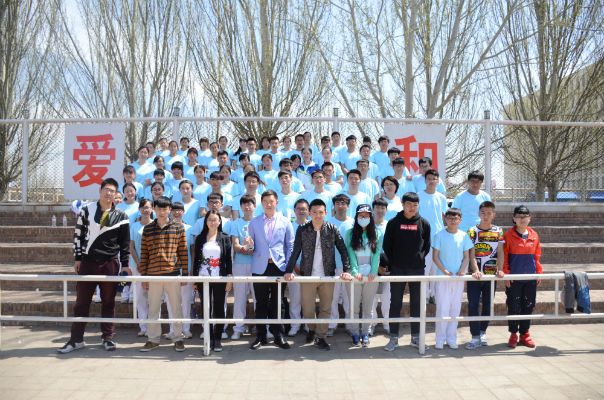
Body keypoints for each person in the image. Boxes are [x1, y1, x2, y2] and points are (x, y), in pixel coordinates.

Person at [58, 178, 130, 354]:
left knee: (108, 302)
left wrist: (125, 265)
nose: (109, 193)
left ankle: (107, 338)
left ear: (116, 194)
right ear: (100, 190)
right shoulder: (86, 210)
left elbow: (125, 243)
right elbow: (78, 235)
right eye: (106, 189)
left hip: (110, 263)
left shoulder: (122, 215)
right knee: (81, 302)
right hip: (88, 262)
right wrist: (77, 259)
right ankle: (76, 340)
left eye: (112, 191)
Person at [285, 199, 351, 351]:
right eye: (314, 212)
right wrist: (289, 270)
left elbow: (343, 250)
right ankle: (313, 330)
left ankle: (321, 337)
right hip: (308, 275)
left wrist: (347, 270)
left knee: (326, 308)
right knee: (308, 310)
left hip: (327, 275)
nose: (317, 215)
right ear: (309, 213)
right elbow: (296, 251)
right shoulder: (302, 229)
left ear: (325, 213)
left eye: (321, 212)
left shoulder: (332, 229)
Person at [138, 196, 188, 352]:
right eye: (159, 208)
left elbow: (183, 252)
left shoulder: (178, 228)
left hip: (172, 273)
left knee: (176, 308)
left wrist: (185, 274)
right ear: (154, 209)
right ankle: (153, 339)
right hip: (153, 275)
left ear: (169, 210)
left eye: (165, 209)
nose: (161, 212)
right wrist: (144, 277)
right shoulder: (147, 229)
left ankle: (178, 338)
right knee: (153, 309)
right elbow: (144, 255)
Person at [382, 192, 431, 352]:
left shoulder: (424, 223)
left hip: (417, 269)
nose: (412, 208)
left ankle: (416, 337)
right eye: (409, 204)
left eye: (415, 205)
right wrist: (395, 261)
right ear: (403, 204)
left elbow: (426, 246)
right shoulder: (393, 223)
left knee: (417, 303)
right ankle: (393, 337)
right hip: (398, 268)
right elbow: (387, 246)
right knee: (395, 303)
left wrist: (418, 258)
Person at [248, 190, 294, 350]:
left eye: (271, 201)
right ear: (261, 203)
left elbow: (290, 245)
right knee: (260, 302)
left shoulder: (285, 221)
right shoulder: (254, 222)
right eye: (265, 201)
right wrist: (248, 245)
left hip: (279, 266)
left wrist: (288, 267)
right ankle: (261, 336)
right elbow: (251, 246)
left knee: (278, 302)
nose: (268, 204)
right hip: (259, 267)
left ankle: (278, 335)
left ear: (276, 202)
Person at [465, 201, 505, 350]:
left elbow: (500, 252)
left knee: (488, 305)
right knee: (473, 305)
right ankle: (475, 336)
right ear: (479, 214)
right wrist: (475, 270)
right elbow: (471, 253)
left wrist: (500, 269)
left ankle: (482, 332)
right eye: (483, 212)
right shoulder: (472, 231)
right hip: (475, 276)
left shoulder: (498, 231)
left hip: (491, 276)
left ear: (493, 214)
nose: (486, 216)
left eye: (489, 213)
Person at [432, 208, 473, 349]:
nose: (452, 221)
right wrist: (443, 270)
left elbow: (466, 256)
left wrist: (462, 270)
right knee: (442, 308)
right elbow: (435, 256)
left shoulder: (464, 236)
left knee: (455, 308)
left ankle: (451, 338)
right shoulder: (439, 235)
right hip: (443, 277)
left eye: (455, 219)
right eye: (450, 218)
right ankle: (439, 339)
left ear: (460, 220)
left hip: (458, 277)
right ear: (445, 219)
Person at [193, 210, 233, 352]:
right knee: (206, 308)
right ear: (206, 221)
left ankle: (218, 338)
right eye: (210, 219)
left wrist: (229, 279)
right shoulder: (200, 238)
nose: (212, 222)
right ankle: (209, 337)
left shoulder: (225, 238)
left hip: (220, 277)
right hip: (203, 278)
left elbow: (228, 260)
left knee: (219, 308)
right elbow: (196, 259)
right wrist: (194, 279)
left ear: (219, 221)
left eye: (215, 220)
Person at [504, 205, 542, 349]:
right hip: (514, 279)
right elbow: (504, 257)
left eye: (525, 216)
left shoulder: (534, 235)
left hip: (530, 278)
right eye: (518, 216)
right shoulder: (508, 235)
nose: (522, 219)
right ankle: (513, 334)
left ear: (529, 218)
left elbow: (537, 256)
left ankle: (525, 334)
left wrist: (538, 272)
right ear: (514, 218)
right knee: (513, 306)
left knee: (528, 306)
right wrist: (506, 274)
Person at [345, 204, 382, 347]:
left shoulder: (377, 233)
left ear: (371, 217)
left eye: (366, 215)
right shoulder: (350, 233)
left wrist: (374, 271)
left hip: (371, 277)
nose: (363, 218)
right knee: (354, 307)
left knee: (368, 307)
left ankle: (365, 333)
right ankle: (355, 333)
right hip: (355, 276)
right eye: (361, 216)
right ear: (356, 217)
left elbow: (376, 254)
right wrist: (355, 271)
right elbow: (350, 253)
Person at [228, 195, 257, 340]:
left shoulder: (259, 222)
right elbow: (235, 245)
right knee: (239, 297)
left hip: (257, 264)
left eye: (249, 204)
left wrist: (250, 248)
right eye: (244, 205)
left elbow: (262, 245)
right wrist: (245, 248)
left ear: (254, 206)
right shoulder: (236, 223)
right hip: (239, 264)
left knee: (259, 297)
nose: (247, 207)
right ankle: (238, 328)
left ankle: (262, 327)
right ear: (240, 207)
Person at [417, 169, 448, 303]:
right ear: (425, 180)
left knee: (436, 268)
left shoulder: (441, 198)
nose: (431, 181)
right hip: (423, 239)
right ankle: (424, 296)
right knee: (424, 268)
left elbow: (444, 216)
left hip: (438, 238)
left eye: (434, 179)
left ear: (438, 181)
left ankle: (434, 294)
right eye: (429, 179)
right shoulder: (418, 196)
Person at [326, 194, 354, 336]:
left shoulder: (354, 223)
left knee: (349, 297)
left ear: (348, 206)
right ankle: (332, 324)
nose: (340, 206)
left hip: (349, 266)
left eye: (343, 203)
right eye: (337, 203)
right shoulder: (328, 223)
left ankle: (350, 324)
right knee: (332, 297)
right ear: (334, 206)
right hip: (332, 265)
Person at [167, 202, 196, 339]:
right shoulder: (166, 228)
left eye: (179, 210)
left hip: (186, 270)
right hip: (169, 271)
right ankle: (173, 329)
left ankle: (186, 329)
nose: (177, 213)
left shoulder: (190, 229)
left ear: (183, 212)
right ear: (170, 212)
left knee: (186, 302)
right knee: (171, 302)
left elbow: (193, 250)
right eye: (174, 210)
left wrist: (192, 270)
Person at [128, 198, 153, 336]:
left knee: (154, 297)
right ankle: (143, 327)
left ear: (152, 209)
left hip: (153, 267)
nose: (145, 210)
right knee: (140, 297)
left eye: (148, 207)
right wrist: (139, 264)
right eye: (143, 207)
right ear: (139, 210)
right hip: (137, 266)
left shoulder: (156, 225)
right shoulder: (134, 226)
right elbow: (131, 247)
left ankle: (153, 326)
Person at [286, 198, 310, 337]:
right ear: (294, 210)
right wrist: (294, 265)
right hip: (293, 269)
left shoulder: (313, 226)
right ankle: (295, 325)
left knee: (308, 298)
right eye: (299, 209)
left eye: (304, 209)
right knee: (295, 298)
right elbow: (287, 248)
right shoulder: (289, 226)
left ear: (308, 211)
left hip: (310, 268)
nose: (301, 211)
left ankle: (308, 324)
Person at [369, 198, 390, 336]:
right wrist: (374, 266)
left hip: (387, 265)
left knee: (387, 297)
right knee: (372, 297)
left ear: (386, 210)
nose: (380, 210)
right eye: (377, 207)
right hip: (371, 265)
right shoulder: (368, 226)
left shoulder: (390, 225)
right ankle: (371, 324)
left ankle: (387, 324)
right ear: (373, 209)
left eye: (383, 208)